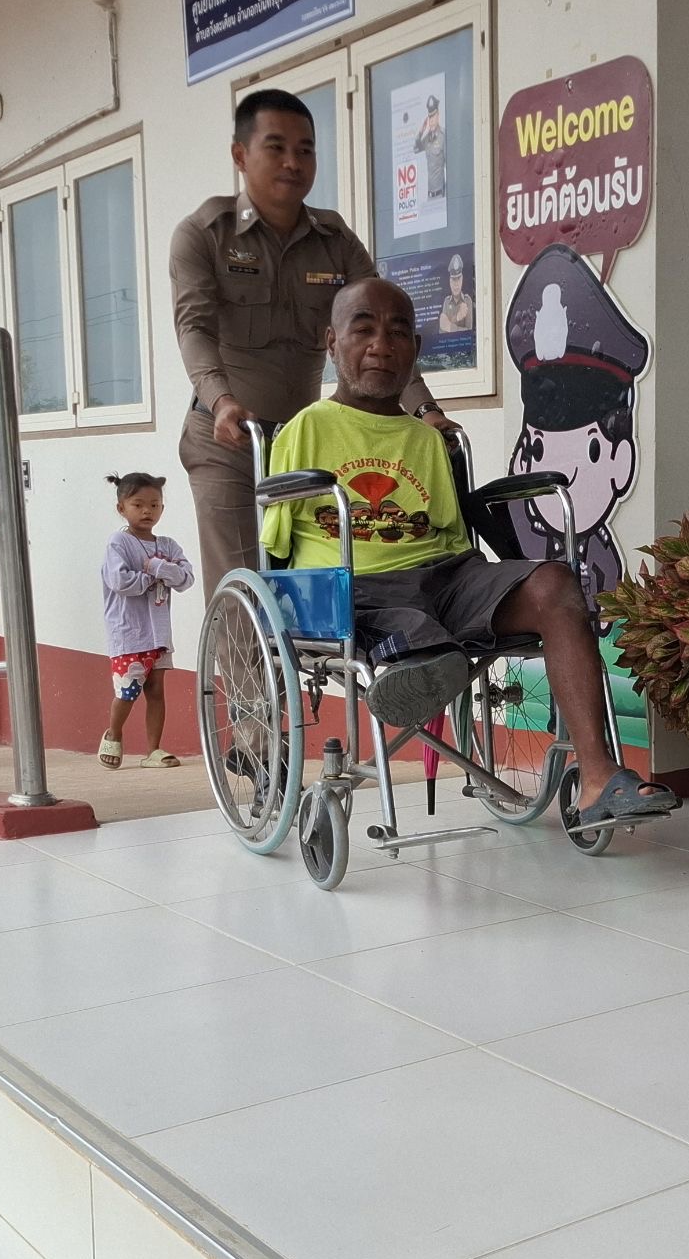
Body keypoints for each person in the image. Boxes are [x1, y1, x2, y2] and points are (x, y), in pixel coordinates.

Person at [262, 278, 679, 829]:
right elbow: (278, 543)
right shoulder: (306, 428)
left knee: (555, 584)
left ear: (415, 351)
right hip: (355, 586)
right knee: (407, 624)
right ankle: (421, 661)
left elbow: (452, 538)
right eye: (363, 330)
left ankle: (598, 778)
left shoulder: (427, 440)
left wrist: (491, 582)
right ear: (331, 342)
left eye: (398, 333)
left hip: (443, 575)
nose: (381, 345)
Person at [170, 88, 458, 596]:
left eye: (305, 150)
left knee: (317, 585)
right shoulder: (205, 234)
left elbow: (386, 326)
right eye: (276, 147)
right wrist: (221, 400)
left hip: (305, 442)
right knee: (244, 590)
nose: (293, 162)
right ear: (240, 155)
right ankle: (242, 653)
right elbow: (194, 327)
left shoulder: (335, 240)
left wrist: (425, 410)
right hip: (229, 440)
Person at [502, 243, 645, 608]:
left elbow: (610, 594)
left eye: (592, 449)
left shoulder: (600, 551)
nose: (564, 471)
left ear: (621, 460)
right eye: (537, 448)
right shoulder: (522, 532)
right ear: (522, 461)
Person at [97, 472, 194, 770]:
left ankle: (153, 749)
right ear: (121, 508)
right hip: (129, 633)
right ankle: (114, 733)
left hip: (159, 634)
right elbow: (119, 581)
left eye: (154, 505)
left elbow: (185, 578)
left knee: (156, 690)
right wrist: (155, 575)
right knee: (128, 690)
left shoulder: (168, 545)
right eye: (138, 505)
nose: (147, 511)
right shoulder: (118, 543)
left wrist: (157, 566)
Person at [438, 253, 474, 333]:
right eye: (453, 280)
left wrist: (450, 327)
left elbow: (469, 332)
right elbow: (442, 330)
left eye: (458, 279)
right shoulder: (446, 301)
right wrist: (457, 317)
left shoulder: (467, 301)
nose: (456, 284)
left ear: (462, 279)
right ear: (450, 281)